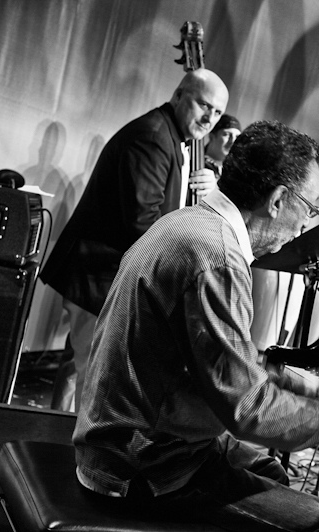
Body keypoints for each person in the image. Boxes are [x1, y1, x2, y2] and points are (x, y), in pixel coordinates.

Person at [73, 120, 319, 532]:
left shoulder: (189, 223)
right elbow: (248, 412)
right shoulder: (218, 258)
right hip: (144, 468)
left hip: (132, 440)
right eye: (309, 208)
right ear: (278, 200)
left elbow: (219, 364)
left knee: (271, 471)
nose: (305, 224)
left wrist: (306, 384)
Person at [40, 68, 229, 411]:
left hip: (103, 277)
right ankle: (72, 444)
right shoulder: (153, 137)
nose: (209, 119)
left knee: (88, 378)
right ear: (178, 96)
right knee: (95, 383)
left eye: (217, 112)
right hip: (98, 278)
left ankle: (63, 437)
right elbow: (142, 223)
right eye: (204, 105)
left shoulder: (171, 136)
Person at [203, 113, 241, 179]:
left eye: (237, 137)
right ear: (212, 136)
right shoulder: (197, 163)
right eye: (227, 134)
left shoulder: (234, 171)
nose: (232, 141)